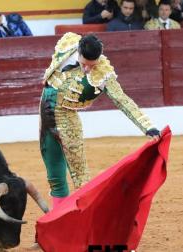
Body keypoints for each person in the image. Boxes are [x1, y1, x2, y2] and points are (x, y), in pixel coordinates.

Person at [40, 32, 160, 208]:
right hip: (44, 111)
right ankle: (59, 220)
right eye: (84, 64)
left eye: (92, 65)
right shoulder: (67, 43)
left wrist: (148, 127)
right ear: (78, 51)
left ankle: (89, 220)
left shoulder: (104, 73)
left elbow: (122, 99)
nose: (87, 69)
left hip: (67, 118)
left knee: (80, 176)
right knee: (54, 174)